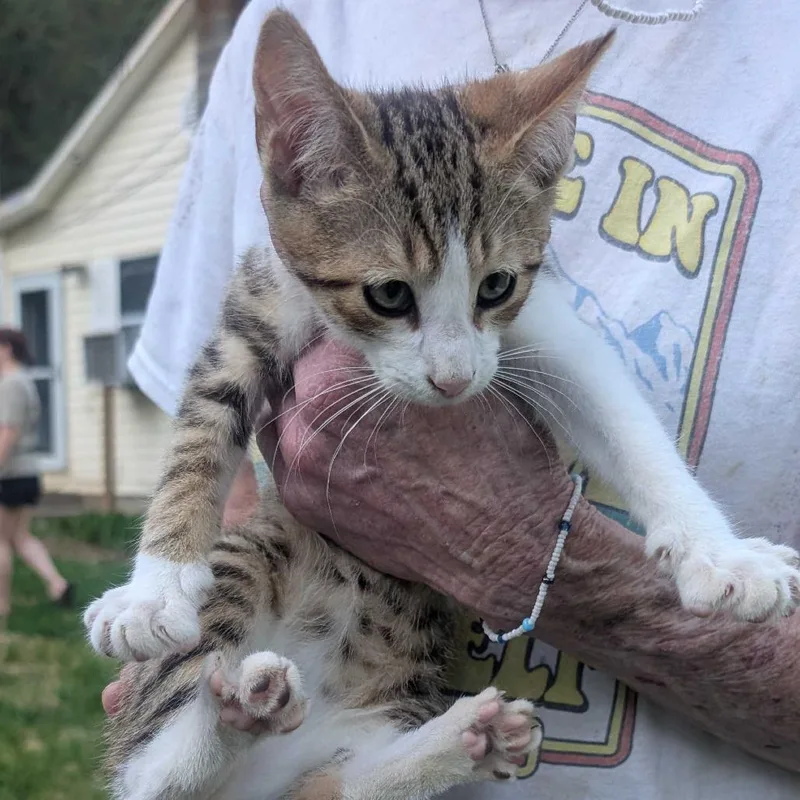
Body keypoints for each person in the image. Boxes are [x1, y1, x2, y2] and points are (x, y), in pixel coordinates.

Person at [107, 1, 800, 798]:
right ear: (295, 166)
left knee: (380, 709)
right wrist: (173, 580)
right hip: (295, 608)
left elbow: (595, 385)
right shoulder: (306, 28)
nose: (452, 370)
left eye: (495, 289)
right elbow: (218, 424)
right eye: (392, 294)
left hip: (393, 676)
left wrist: (700, 543)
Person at [0, 327, 71, 622]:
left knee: (1, 541)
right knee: (19, 537)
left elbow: (8, 432)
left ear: (6, 348)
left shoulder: (12, 384)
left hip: (10, 474)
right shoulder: (23, 380)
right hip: (25, 473)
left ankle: (2, 606)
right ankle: (58, 584)